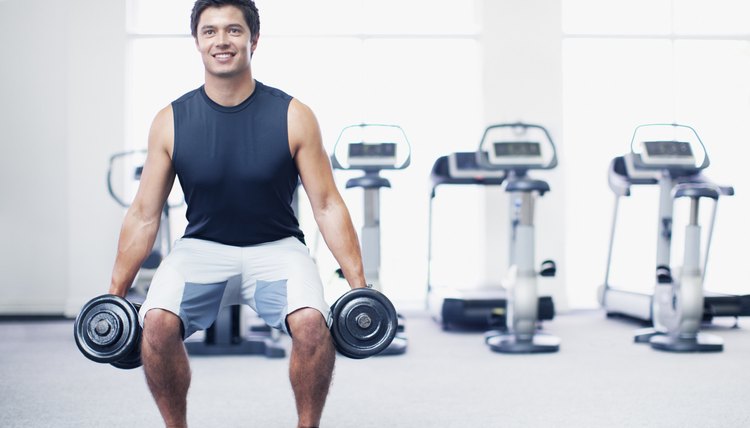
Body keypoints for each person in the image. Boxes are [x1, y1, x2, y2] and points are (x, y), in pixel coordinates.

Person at [107, 0, 367, 426]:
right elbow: (143, 215)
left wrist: (360, 287)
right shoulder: (170, 121)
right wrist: (116, 294)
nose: (221, 41)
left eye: (233, 30)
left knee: (311, 326)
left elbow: (327, 204)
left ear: (253, 39)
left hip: (277, 248)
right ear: (196, 41)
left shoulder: (294, 115)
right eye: (209, 31)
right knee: (154, 323)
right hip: (201, 249)